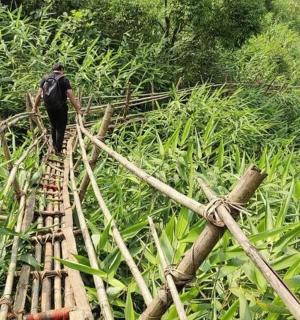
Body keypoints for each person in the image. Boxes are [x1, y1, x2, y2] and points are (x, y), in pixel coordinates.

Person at [32, 62, 82, 155]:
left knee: (53, 125)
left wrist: (35, 107)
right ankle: (58, 150)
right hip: (60, 107)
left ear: (53, 69)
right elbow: (70, 96)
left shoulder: (45, 78)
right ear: (61, 69)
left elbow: (39, 94)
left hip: (48, 106)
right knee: (60, 127)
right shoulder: (64, 80)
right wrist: (77, 109)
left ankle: (54, 145)